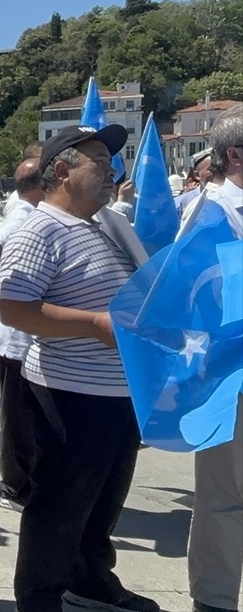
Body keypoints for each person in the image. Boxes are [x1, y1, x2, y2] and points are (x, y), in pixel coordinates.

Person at [0, 124, 159, 612]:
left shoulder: (102, 225)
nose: (112, 171)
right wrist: (94, 324)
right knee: (60, 506)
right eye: (99, 161)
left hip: (115, 391)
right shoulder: (39, 229)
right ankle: (40, 598)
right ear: (63, 171)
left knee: (102, 502)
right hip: (71, 393)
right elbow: (13, 309)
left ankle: (89, 580)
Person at [183, 104, 243, 612]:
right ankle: (216, 600)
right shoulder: (211, 211)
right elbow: (190, 292)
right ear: (237, 156)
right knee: (224, 496)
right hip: (229, 374)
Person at [0, 146, 45, 513]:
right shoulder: (26, 215)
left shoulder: (27, 212)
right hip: (12, 338)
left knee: (25, 417)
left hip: (14, 335)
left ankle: (23, 483)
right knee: (19, 418)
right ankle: (14, 488)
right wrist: (19, 288)